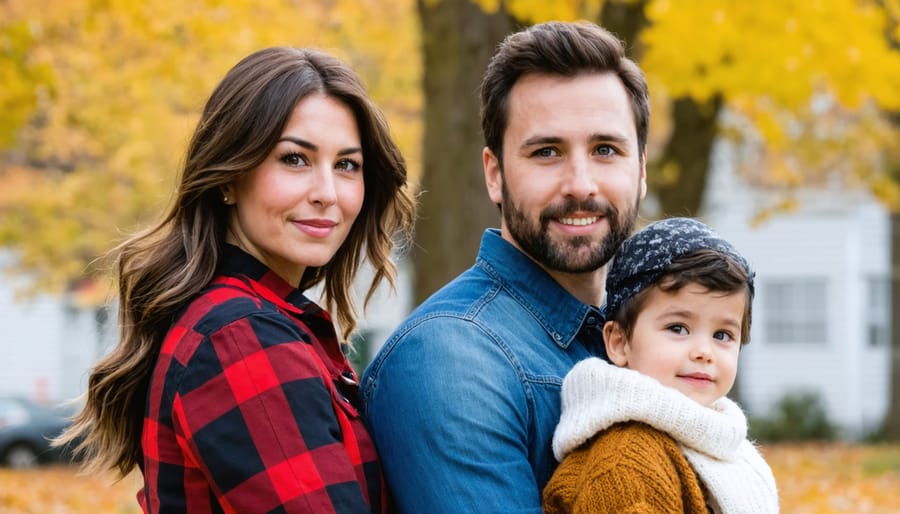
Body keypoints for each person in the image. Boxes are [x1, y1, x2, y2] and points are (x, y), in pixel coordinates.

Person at [55, 47, 416, 514]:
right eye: (295, 159)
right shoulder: (240, 338)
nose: (328, 193)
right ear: (229, 177)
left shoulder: (251, 321)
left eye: (347, 165)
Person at [361, 21, 649, 512]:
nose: (580, 184)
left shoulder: (641, 341)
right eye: (546, 152)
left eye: (605, 150)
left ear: (641, 171)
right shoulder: (450, 357)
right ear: (494, 175)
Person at [543, 217, 779, 513]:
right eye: (678, 328)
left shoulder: (721, 445)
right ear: (619, 342)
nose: (704, 352)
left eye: (723, 335)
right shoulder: (626, 464)